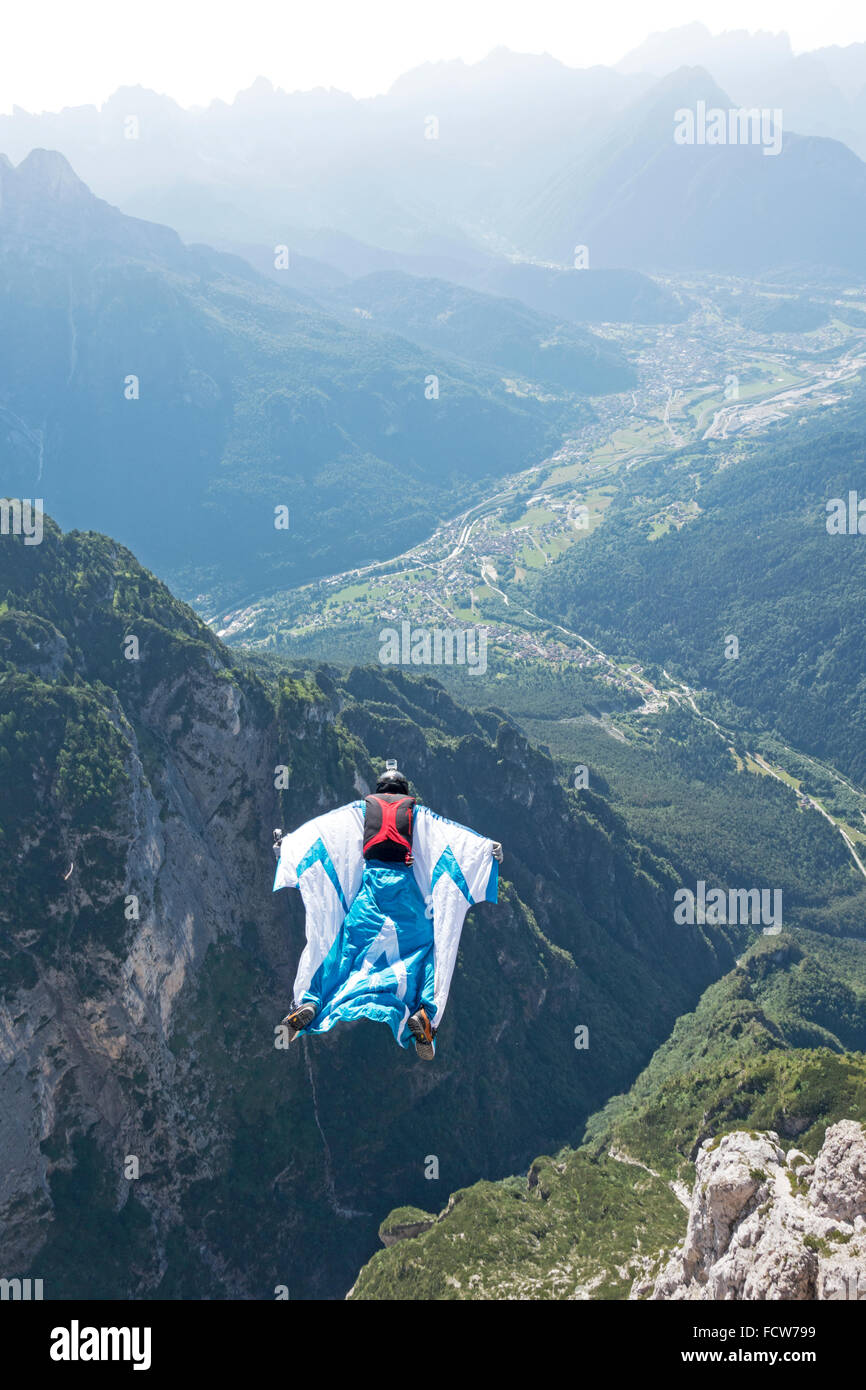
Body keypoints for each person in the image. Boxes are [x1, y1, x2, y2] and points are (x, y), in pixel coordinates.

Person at [273, 761, 502, 1060]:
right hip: (408, 901)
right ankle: (424, 1014)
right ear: (404, 791)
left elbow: (323, 832)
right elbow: (452, 837)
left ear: (379, 789)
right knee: (424, 955)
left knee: (343, 952)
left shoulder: (361, 811)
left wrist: (286, 846)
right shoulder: (418, 815)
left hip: (370, 898)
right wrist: (488, 850)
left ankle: (311, 1001)